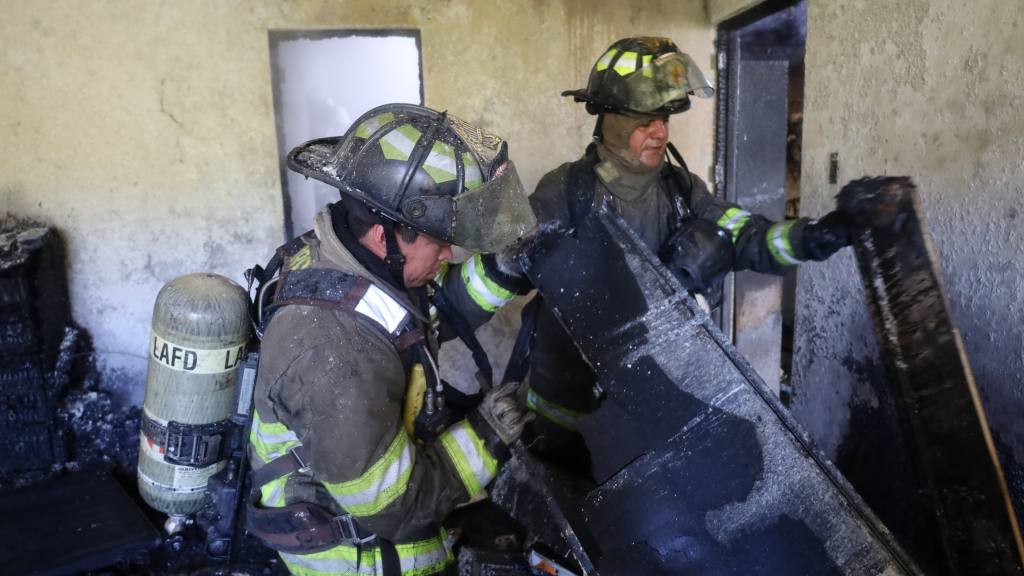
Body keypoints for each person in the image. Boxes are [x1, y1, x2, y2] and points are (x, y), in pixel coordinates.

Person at [522, 37, 853, 473]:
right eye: (645, 122)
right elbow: (526, 271)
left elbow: (747, 235)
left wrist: (816, 237)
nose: (660, 132)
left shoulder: (682, 189)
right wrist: (673, 279)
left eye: (663, 119)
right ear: (614, 123)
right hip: (569, 414)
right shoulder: (567, 190)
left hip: (650, 402)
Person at [245, 104, 536, 576]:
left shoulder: (350, 257)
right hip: (360, 556)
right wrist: (486, 436)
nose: (449, 252)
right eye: (439, 240)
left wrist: (502, 269)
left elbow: (430, 315)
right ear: (384, 234)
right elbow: (394, 505)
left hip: (366, 463)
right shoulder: (335, 351)